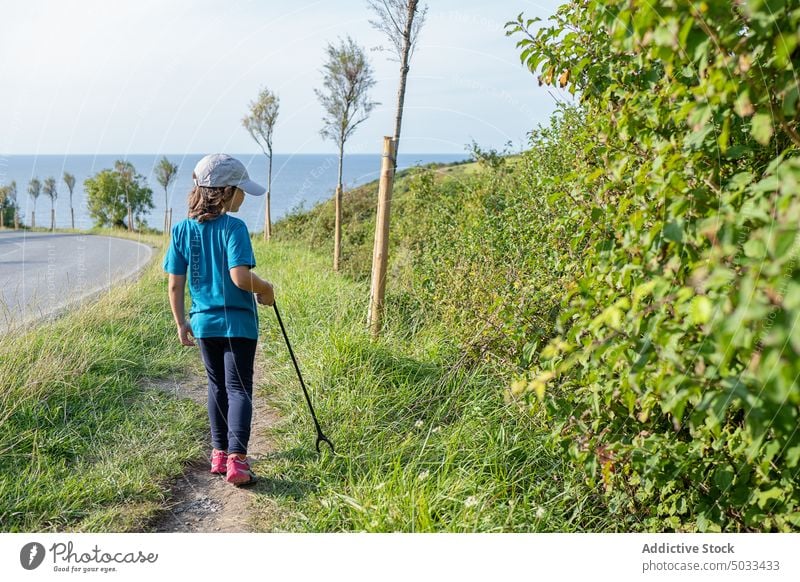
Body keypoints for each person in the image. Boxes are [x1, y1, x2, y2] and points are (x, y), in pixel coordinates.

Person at [163, 153, 274, 486]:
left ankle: (219, 454)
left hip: (203, 324)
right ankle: (238, 462)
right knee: (239, 388)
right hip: (238, 324)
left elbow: (174, 283)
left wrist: (181, 322)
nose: (244, 197)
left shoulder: (181, 230)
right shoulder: (234, 228)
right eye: (241, 190)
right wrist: (266, 288)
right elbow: (240, 277)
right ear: (225, 192)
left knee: (216, 387)